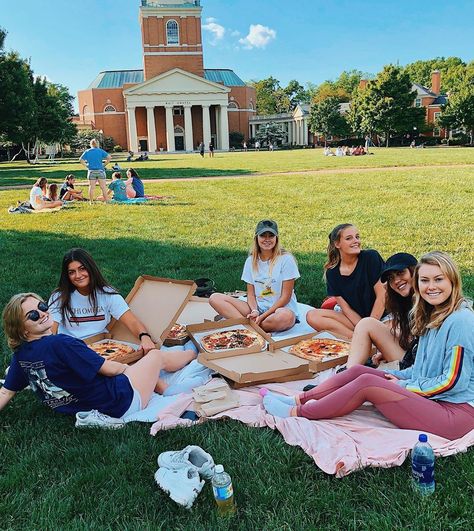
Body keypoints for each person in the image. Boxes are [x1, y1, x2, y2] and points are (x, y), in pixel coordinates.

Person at [262, 251, 474, 441]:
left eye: (438, 279)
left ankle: (296, 413)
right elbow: (421, 368)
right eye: (425, 280)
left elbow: (453, 381)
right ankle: (297, 399)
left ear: (453, 281)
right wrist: (400, 378)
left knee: (367, 385)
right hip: (435, 399)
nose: (431, 287)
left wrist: (401, 387)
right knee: (360, 371)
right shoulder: (432, 315)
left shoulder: (460, 320)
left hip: (455, 412)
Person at [0, 293, 199, 419]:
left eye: (42, 307)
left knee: (147, 365)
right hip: (119, 402)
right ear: (22, 330)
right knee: (155, 356)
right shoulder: (61, 343)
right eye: (32, 315)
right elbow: (109, 369)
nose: (42, 313)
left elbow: (6, 392)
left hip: (78, 407)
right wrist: (132, 370)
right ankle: (193, 353)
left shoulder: (20, 357)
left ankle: (162, 379)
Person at [48, 248, 156, 353]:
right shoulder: (59, 297)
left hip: (101, 348)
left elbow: (132, 321)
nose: (78, 275)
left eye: (82, 269)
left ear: (91, 268)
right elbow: (50, 330)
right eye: (72, 272)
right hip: (70, 350)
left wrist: (145, 337)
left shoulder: (107, 294)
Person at [209, 220, 300, 332]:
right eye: (263, 235)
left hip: (279, 309)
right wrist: (254, 311)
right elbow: (251, 294)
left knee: (286, 317)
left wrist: (263, 316)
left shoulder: (286, 259)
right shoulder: (250, 261)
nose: (267, 239)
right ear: (256, 237)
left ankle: (247, 327)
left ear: (277, 238)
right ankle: (250, 328)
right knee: (215, 298)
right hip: (257, 307)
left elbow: (286, 297)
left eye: (271, 235)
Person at [306, 224, 385, 339]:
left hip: (381, 316)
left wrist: (370, 325)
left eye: (357, 237)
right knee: (312, 316)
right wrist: (363, 327)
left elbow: (382, 296)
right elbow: (346, 309)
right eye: (349, 238)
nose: (356, 241)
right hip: (356, 319)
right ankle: (359, 340)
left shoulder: (370, 257)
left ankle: (366, 338)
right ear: (337, 244)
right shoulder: (332, 273)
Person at [347, 253, 418, 368]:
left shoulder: (426, 301)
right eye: (391, 278)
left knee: (369, 324)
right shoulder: (404, 302)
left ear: (414, 271)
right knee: (368, 323)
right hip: (411, 357)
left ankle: (348, 373)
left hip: (417, 367)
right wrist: (386, 349)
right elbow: (410, 337)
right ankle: (349, 371)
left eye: (400, 273)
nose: (396, 281)